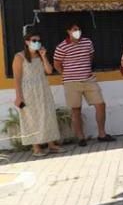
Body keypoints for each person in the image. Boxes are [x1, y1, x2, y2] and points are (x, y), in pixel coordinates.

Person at [53, 23, 114, 146]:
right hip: (71, 82)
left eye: (79, 29)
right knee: (76, 110)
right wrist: (68, 74)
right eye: (75, 29)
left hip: (89, 79)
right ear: (68, 31)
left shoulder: (87, 42)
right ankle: (81, 137)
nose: (77, 32)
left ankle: (102, 134)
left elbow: (90, 57)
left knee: (100, 104)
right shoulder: (62, 47)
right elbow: (57, 64)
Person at [13, 27, 62, 156]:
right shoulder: (19, 57)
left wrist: (44, 57)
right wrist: (18, 96)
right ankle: (36, 148)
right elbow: (17, 78)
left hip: (43, 89)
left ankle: (52, 144)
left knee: (48, 115)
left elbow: (49, 71)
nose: (37, 43)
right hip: (28, 91)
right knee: (32, 117)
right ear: (27, 42)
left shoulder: (41, 55)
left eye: (39, 41)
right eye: (34, 40)